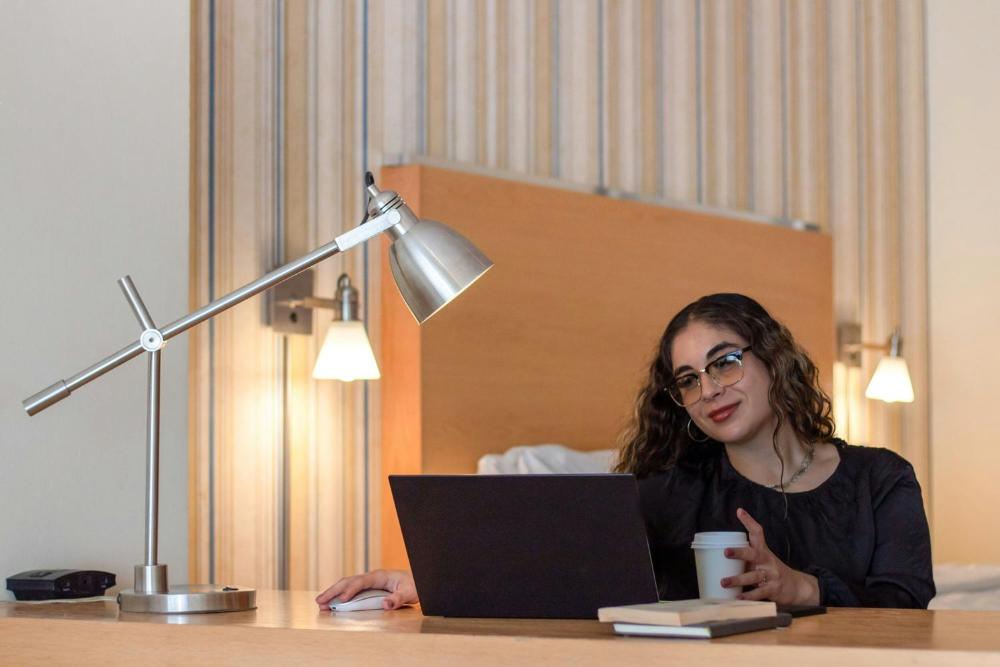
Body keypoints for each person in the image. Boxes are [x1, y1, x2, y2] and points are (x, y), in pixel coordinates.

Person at [316, 293, 935, 611]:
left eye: (724, 362)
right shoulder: (670, 495)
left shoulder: (880, 478)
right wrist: (421, 580)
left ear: (773, 359)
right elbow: (553, 566)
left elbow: (909, 608)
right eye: (688, 379)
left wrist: (801, 588)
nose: (708, 390)